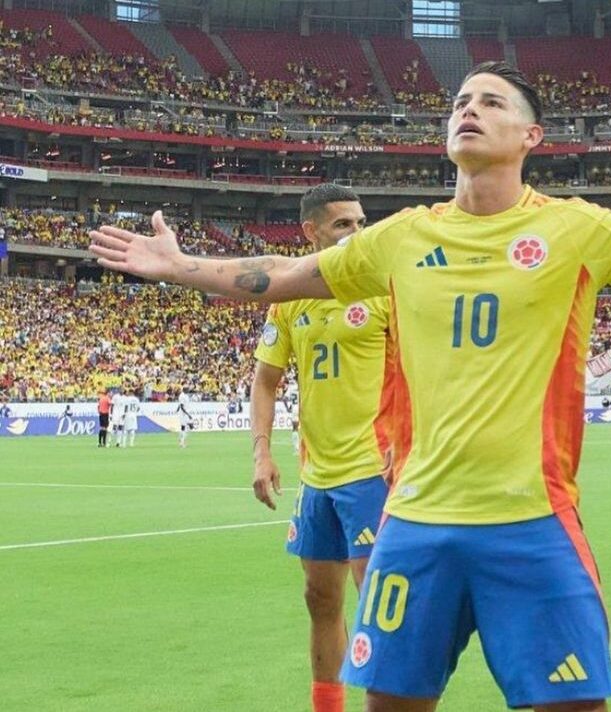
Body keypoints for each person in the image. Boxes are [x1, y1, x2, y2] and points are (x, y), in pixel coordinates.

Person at [89, 60, 611, 712]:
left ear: (533, 138)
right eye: (462, 99)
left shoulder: (575, 227)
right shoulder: (397, 238)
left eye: (494, 101)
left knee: (574, 701)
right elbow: (280, 276)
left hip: (532, 525)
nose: (470, 107)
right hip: (414, 527)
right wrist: (181, 267)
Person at [249, 184, 392, 712]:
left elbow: (418, 371)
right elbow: (266, 381)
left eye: (361, 222)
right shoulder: (290, 297)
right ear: (310, 232)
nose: (358, 233)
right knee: (319, 599)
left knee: (377, 605)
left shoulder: (382, 288)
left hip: (373, 470)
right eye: (343, 225)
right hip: (318, 475)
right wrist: (261, 452)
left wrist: (407, 436)